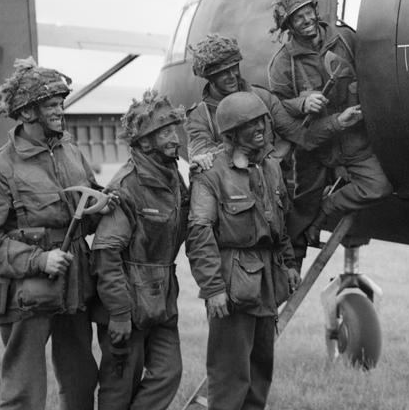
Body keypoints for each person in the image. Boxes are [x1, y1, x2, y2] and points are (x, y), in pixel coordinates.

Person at [0, 57, 100, 410]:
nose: (60, 110)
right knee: (24, 392)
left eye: (61, 103)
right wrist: (39, 259)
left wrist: (102, 207)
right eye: (51, 105)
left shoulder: (72, 151)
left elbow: (89, 204)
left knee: (81, 382)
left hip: (75, 282)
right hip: (25, 293)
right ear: (28, 112)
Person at [187, 91, 300, 410]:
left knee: (260, 370)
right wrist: (213, 289)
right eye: (249, 124)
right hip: (233, 284)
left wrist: (289, 264)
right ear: (231, 134)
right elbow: (199, 234)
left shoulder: (271, 167)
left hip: (267, 282)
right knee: (229, 374)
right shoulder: (211, 175)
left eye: (262, 120)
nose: (260, 128)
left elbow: (279, 222)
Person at [268, 0, 392, 266]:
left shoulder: (345, 38)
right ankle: (290, 268)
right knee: (301, 211)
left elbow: (373, 70)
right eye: (298, 18)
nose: (307, 20)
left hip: (354, 141)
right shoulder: (282, 63)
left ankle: (326, 209)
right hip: (314, 148)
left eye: (308, 12)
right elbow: (277, 107)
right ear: (289, 25)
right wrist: (302, 102)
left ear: (315, 9)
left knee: (378, 186)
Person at [92, 90, 189, 410]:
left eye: (174, 129)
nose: (175, 138)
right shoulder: (125, 186)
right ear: (145, 142)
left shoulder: (174, 176)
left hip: (162, 299)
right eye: (164, 132)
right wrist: (119, 313)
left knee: (168, 373)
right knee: (119, 386)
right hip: (127, 301)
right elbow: (106, 254)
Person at [185, 33, 362, 172]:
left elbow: (301, 135)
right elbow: (202, 154)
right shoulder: (200, 116)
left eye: (234, 68)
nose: (232, 76)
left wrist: (337, 122)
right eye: (223, 73)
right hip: (232, 201)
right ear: (209, 78)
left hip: (269, 192)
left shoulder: (262, 97)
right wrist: (204, 157)